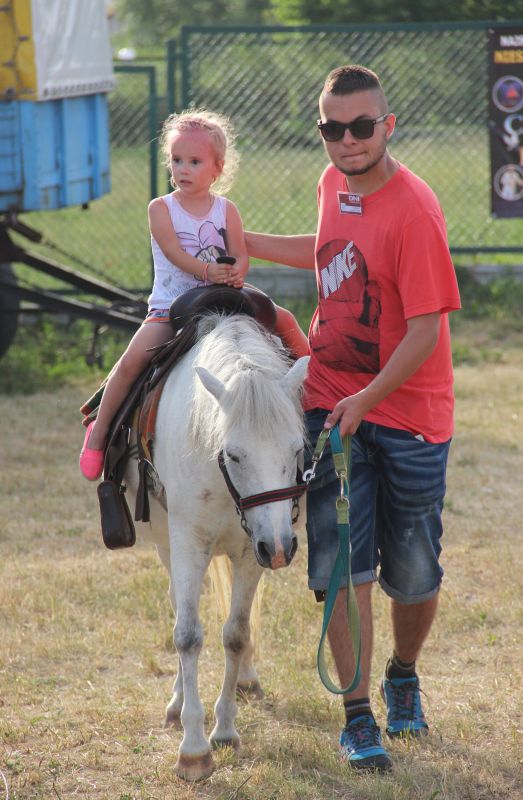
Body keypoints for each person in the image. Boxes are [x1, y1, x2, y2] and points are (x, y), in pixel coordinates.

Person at [245, 65, 461, 772]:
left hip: (409, 417)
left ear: (387, 126)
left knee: (415, 572)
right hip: (329, 405)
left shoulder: (415, 210)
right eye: (331, 128)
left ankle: (403, 674)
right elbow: (324, 257)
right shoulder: (330, 185)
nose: (347, 140)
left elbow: (425, 332)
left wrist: (365, 402)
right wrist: (244, 246)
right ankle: (358, 716)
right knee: (344, 564)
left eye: (361, 126)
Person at [80, 108, 308, 481]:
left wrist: (237, 272)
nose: (182, 169)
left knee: (283, 318)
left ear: (217, 169)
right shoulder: (161, 209)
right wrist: (206, 270)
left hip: (223, 293)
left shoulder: (226, 210)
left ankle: (316, 392)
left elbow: (240, 252)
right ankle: (99, 433)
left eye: (194, 161)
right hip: (173, 303)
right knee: (132, 362)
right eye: (177, 160)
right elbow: (173, 252)